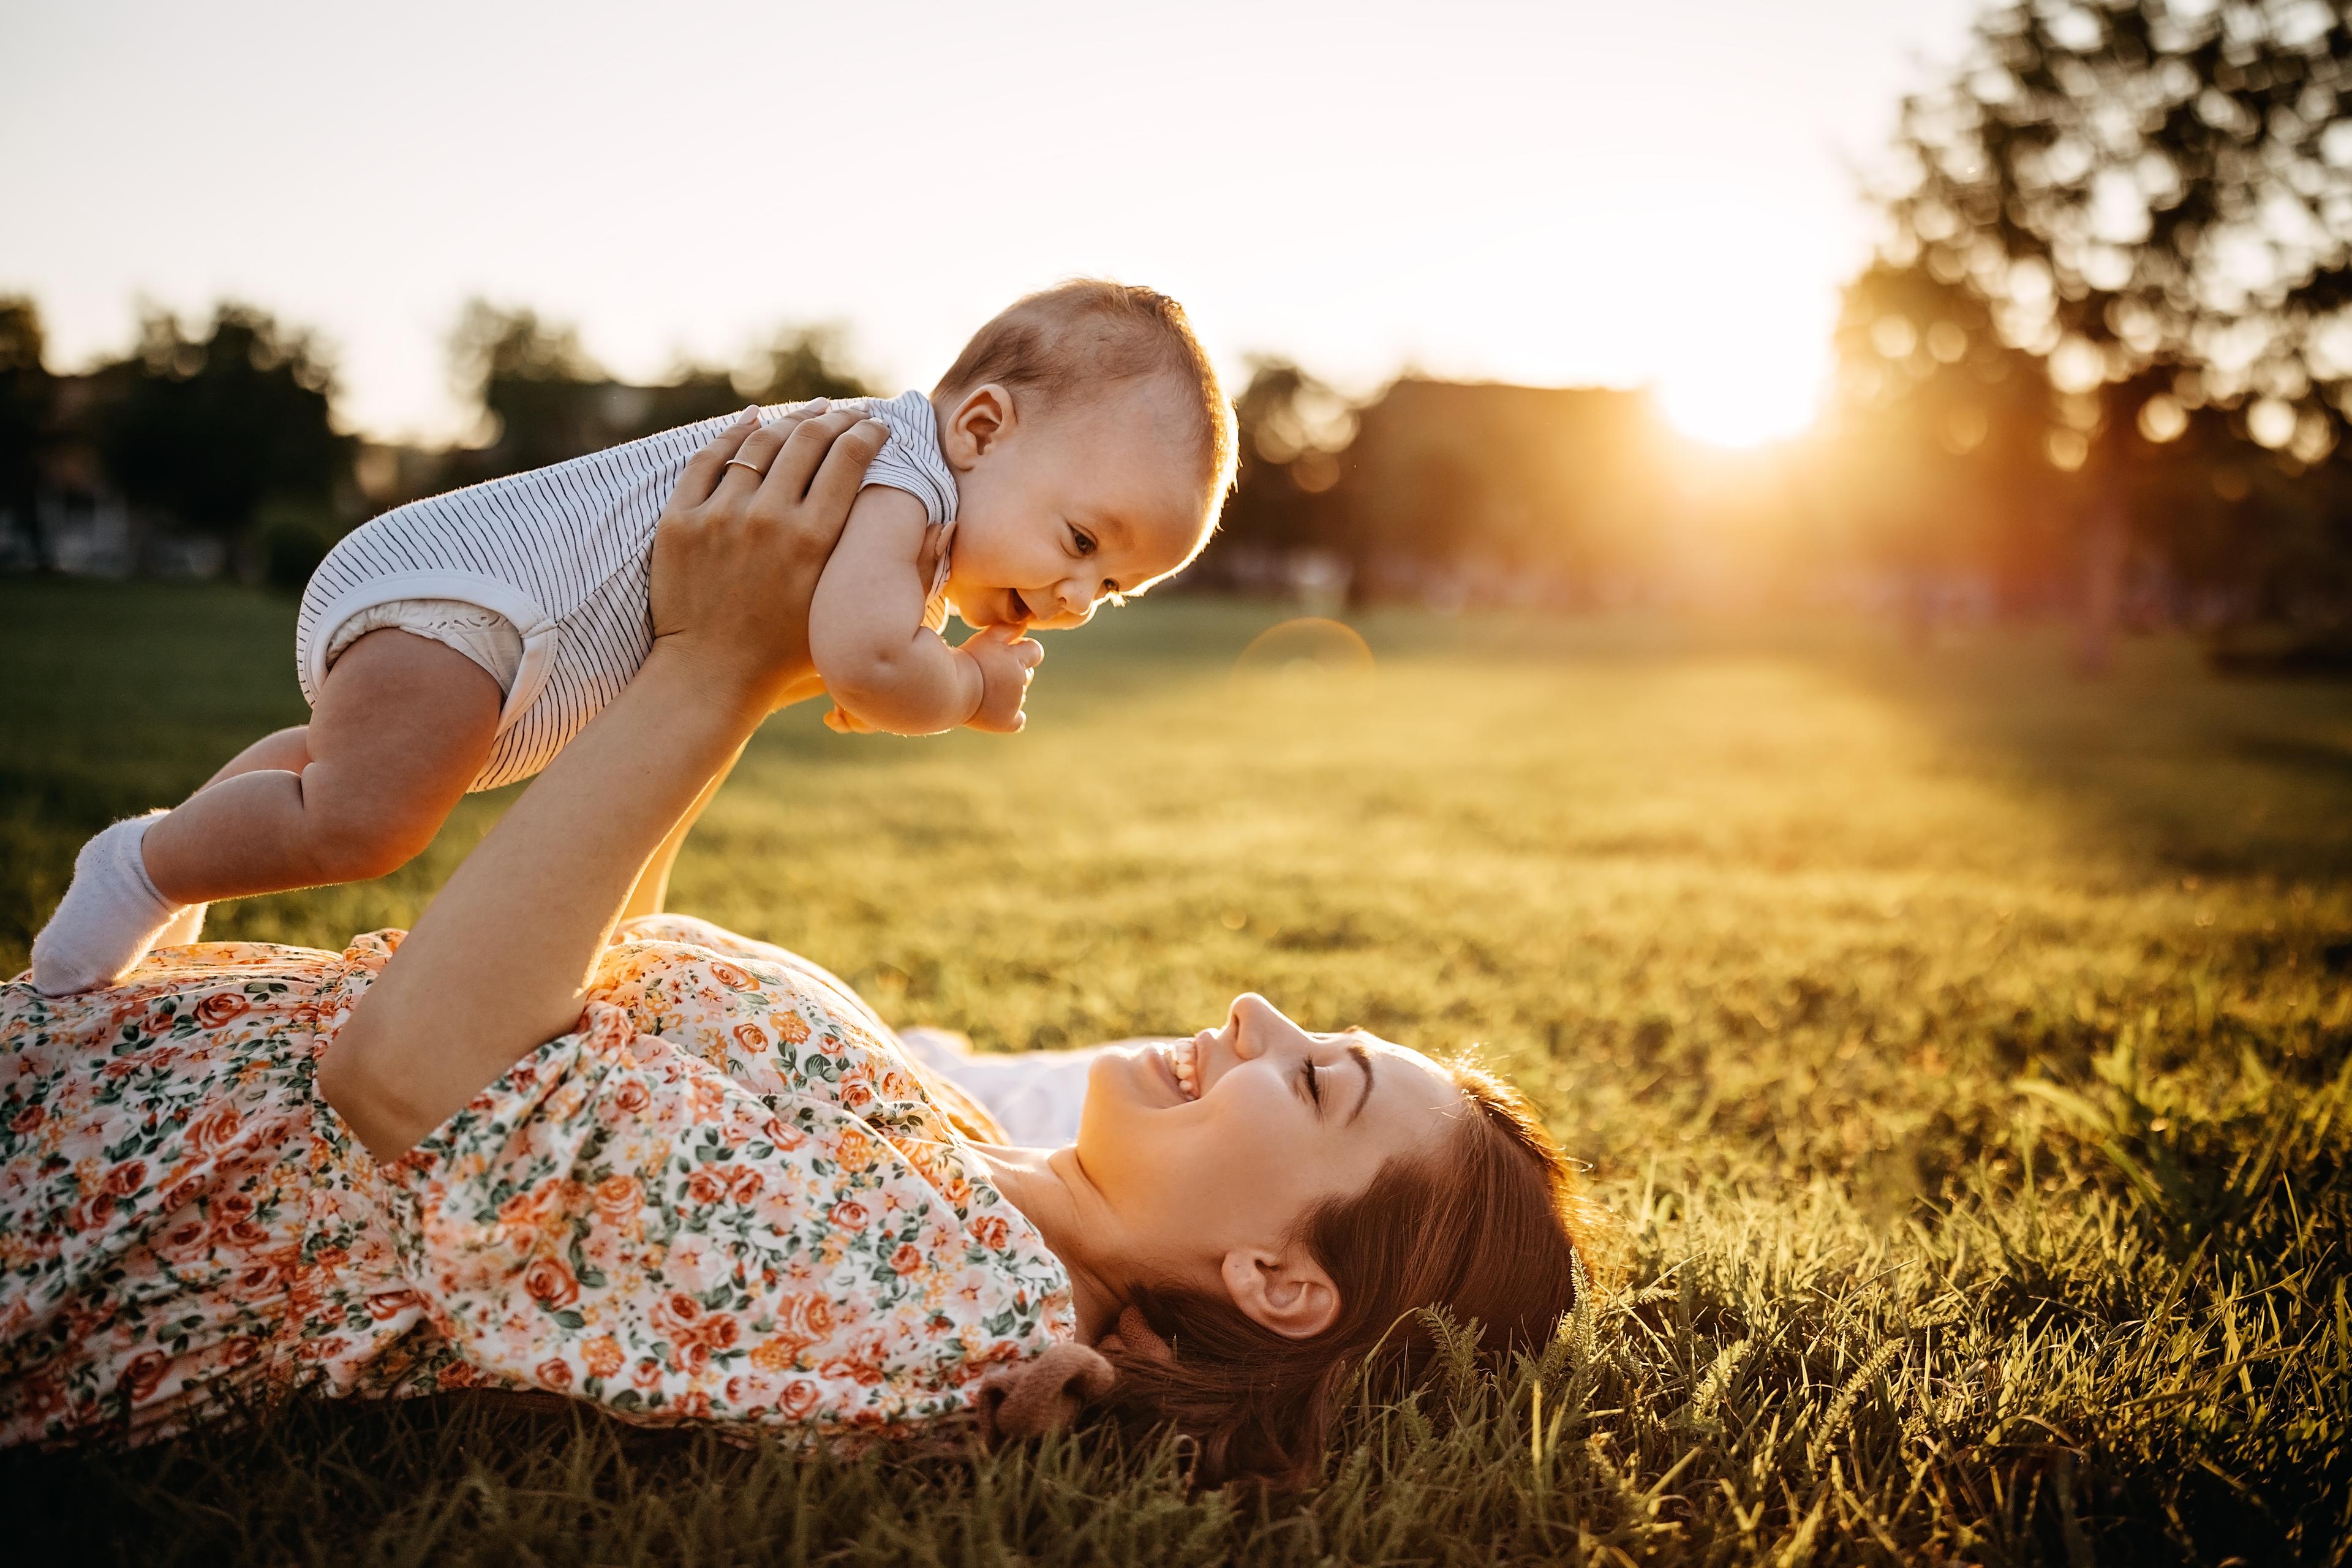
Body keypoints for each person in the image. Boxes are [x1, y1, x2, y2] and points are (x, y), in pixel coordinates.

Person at [1, 409, 1597, 1490]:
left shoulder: (959, 1306)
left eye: (1316, 1083)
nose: (1254, 1010)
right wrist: (732, 671)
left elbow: (414, 1086)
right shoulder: (972, 1166)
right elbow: (597, 996)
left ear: (1276, 1282)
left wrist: (711, 667)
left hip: (61, 1209)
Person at [30, 281, 1237, 997]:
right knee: (369, 819)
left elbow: (842, 662)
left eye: (1115, 587)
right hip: (484, 599)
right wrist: (967, 683)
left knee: (333, 769)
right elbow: (868, 662)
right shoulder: (899, 478)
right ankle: (141, 864)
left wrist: (914, 660)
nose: (1078, 594)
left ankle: (189, 852)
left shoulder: (906, 508)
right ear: (982, 425)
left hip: (476, 617)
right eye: (1082, 538)